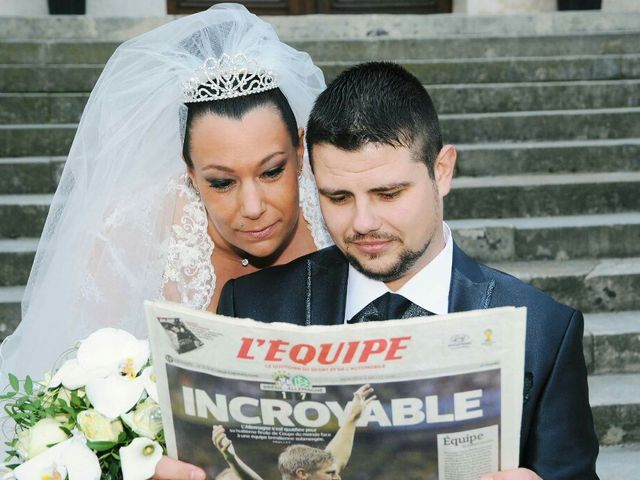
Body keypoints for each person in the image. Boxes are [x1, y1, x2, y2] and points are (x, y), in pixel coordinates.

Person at [216, 62, 600, 479]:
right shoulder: (251, 305)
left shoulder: (543, 330)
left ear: (442, 171)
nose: (362, 222)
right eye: (339, 197)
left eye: (388, 193)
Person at [0, 3, 332, 477]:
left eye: (272, 170)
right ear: (191, 174)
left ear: (301, 151)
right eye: (221, 182)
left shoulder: (337, 210)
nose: (254, 206)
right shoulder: (129, 232)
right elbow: (72, 398)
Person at [210, 385, 374, 480]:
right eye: (331, 474)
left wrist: (352, 418)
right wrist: (232, 458)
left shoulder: (321, 472)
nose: (337, 478)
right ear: (302, 474)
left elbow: (337, 458)